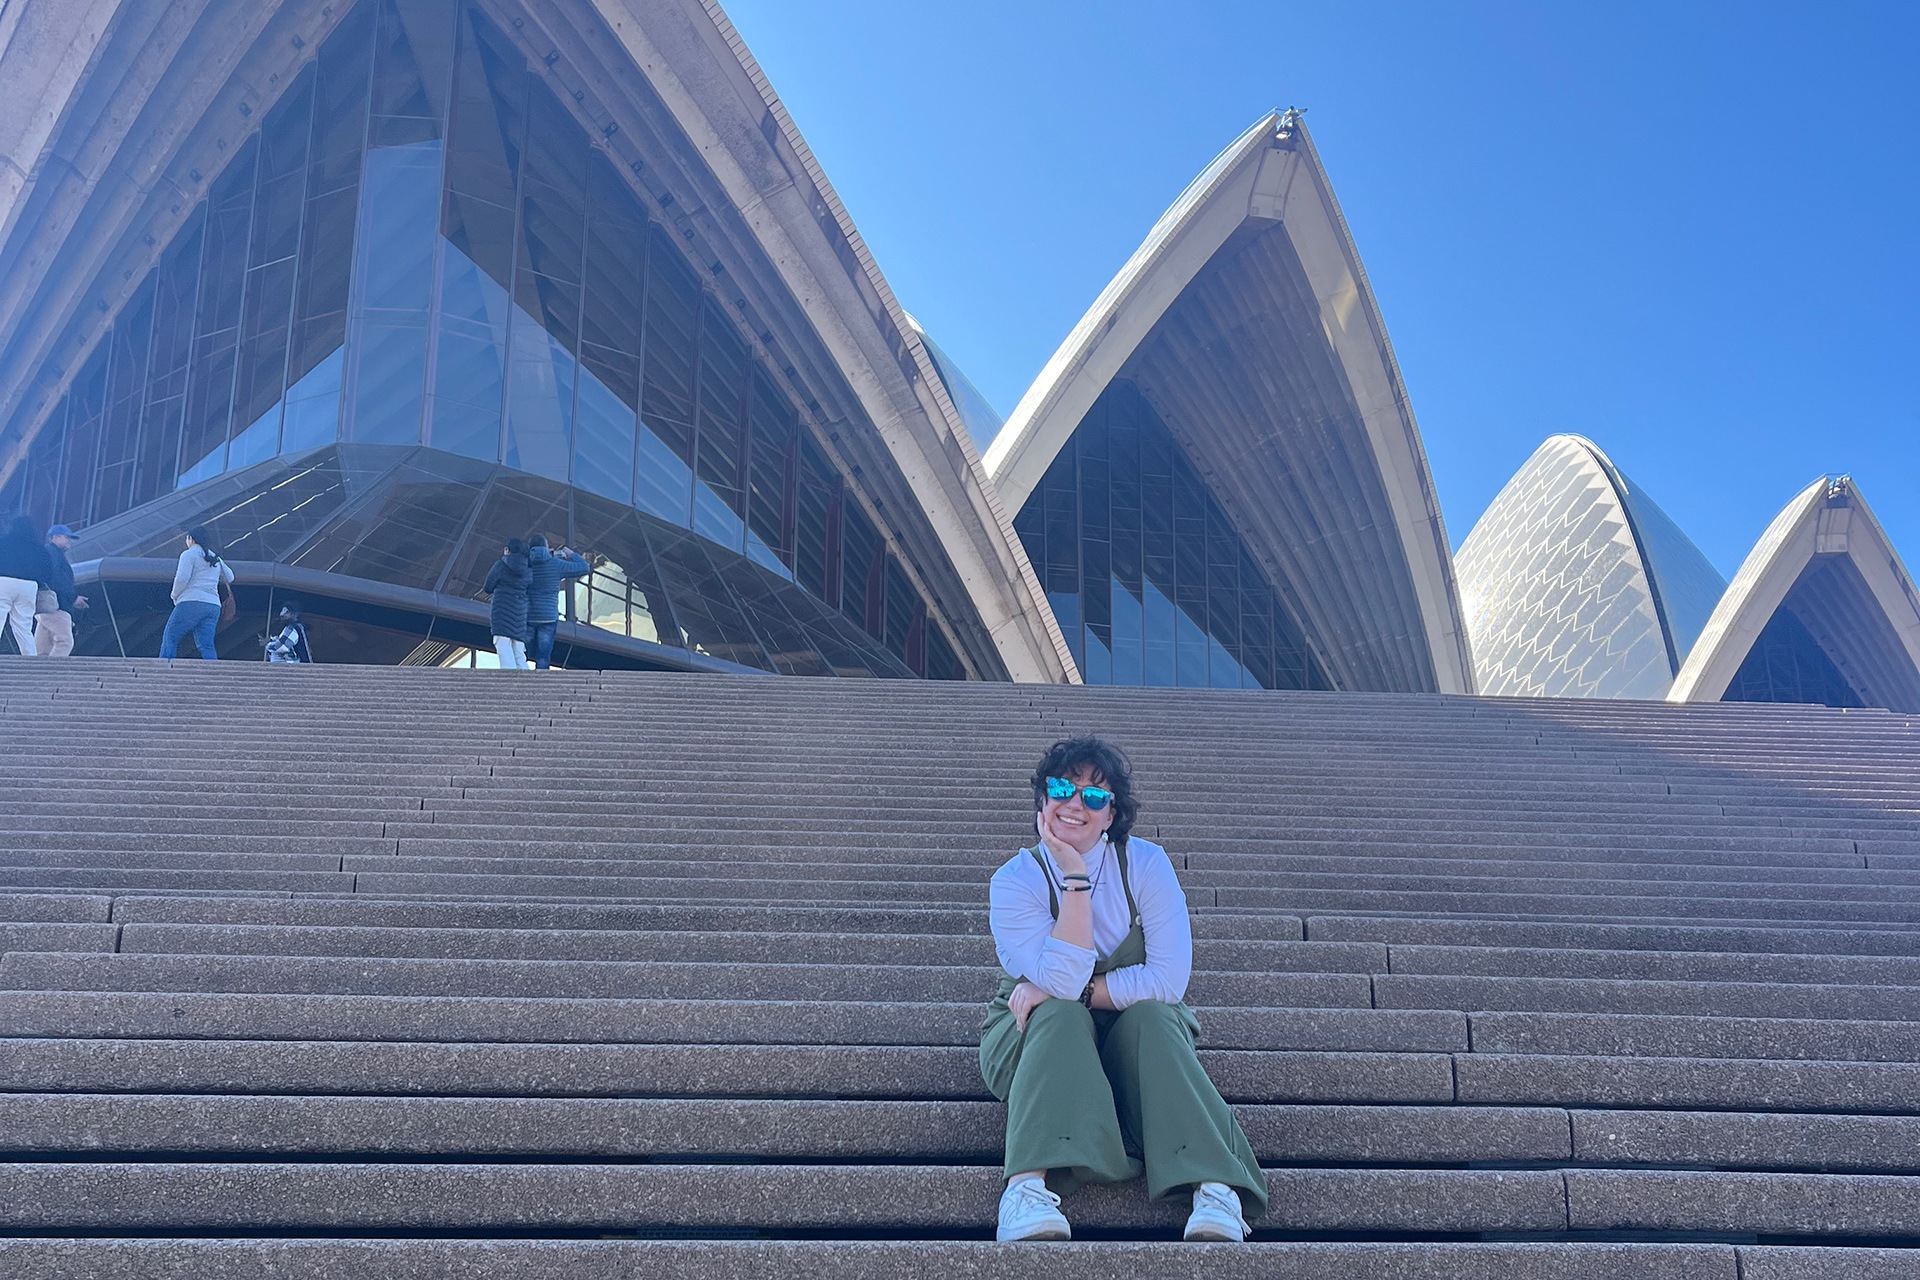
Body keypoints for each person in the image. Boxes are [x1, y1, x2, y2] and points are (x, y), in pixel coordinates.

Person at [980, 735, 1265, 1243]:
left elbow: (1168, 981)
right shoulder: (1016, 879)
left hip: (1134, 1036)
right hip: (1035, 1038)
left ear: (1110, 815)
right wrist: (1072, 876)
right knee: (1059, 1016)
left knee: (1153, 1016)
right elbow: (1062, 987)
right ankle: (1025, 1189)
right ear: (1043, 798)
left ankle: (1214, 1187)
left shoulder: (1147, 864)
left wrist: (1079, 992)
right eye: (1063, 788)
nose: (1075, 804)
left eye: (1094, 796)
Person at [158, 526, 233, 660]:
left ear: (191, 539)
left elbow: (182, 579)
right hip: (213, 605)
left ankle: (164, 668)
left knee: (170, 636)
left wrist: (174, 595)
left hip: (191, 601)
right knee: (206, 645)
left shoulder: (188, 554)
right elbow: (230, 576)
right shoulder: (215, 557)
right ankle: (213, 671)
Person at [522, 533, 588, 671]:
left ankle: (519, 677)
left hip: (528, 614)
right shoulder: (556, 564)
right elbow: (584, 567)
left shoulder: (524, 562)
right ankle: (541, 682)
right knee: (543, 655)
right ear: (546, 547)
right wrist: (570, 554)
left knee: (522, 652)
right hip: (548, 617)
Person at [33, 523, 87, 657]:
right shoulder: (54, 553)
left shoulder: (46, 554)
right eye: (66, 537)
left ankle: (39, 672)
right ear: (54, 538)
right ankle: (50, 673)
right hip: (57, 606)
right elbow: (57, 578)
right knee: (65, 642)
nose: (69, 541)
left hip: (45, 605)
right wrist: (73, 597)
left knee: (42, 649)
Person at [0, 514, 50, 656]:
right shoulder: (38, 547)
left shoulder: (3, 542)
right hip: (29, 585)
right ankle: (30, 656)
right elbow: (48, 571)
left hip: (3, 581)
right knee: (23, 624)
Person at [483, 538, 531, 669]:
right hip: (520, 611)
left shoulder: (501, 565)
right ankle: (527, 681)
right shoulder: (528, 568)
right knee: (518, 649)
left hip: (502, 609)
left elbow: (488, 587)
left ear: (507, 550)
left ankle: (509, 681)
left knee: (503, 645)